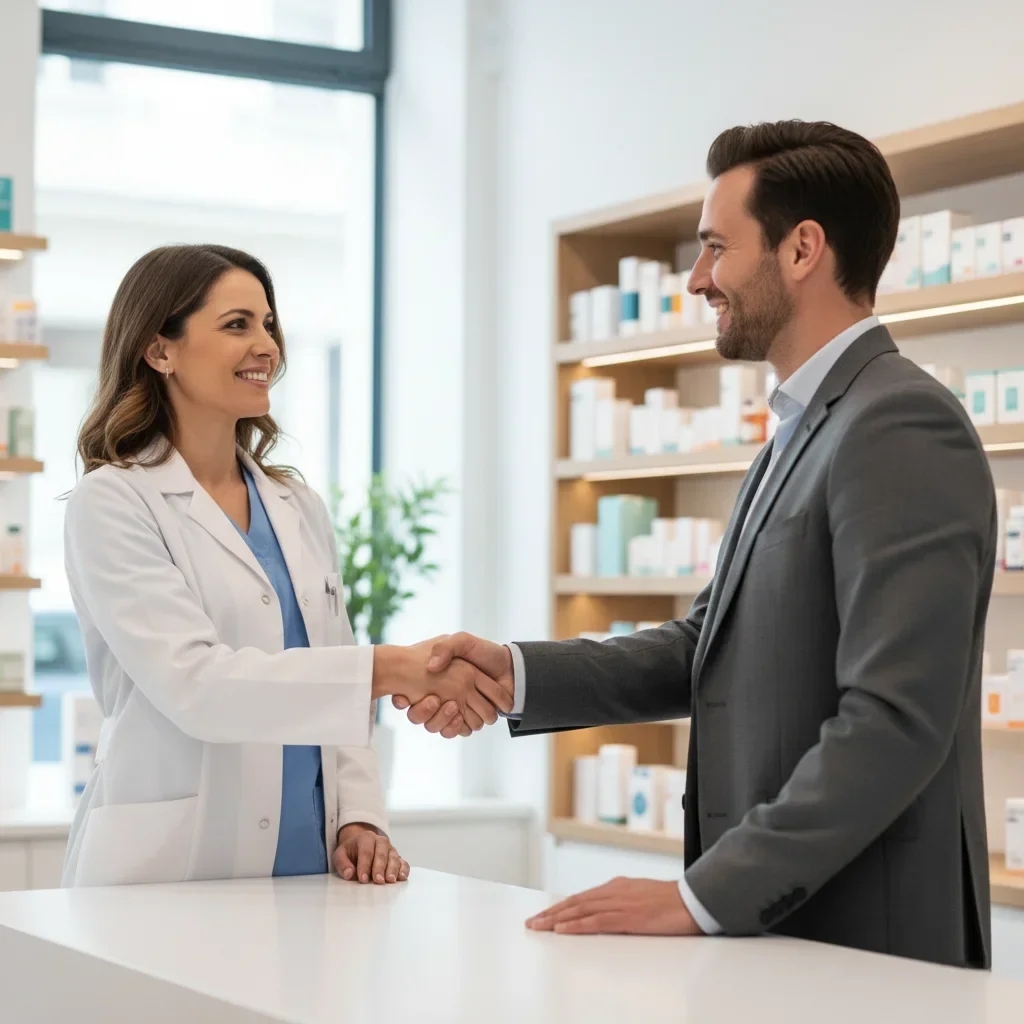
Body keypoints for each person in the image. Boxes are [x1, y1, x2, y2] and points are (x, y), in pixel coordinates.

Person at [400, 121, 995, 968]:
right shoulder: (799, 432)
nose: (697, 278)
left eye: (716, 247)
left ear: (802, 249)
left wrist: (701, 895)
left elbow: (896, 721)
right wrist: (514, 673)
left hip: (869, 941)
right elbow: (704, 647)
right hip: (785, 935)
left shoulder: (897, 421)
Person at [62, 244, 509, 888]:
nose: (267, 346)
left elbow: (334, 666)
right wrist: (396, 668)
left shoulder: (295, 505)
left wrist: (360, 818)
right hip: (174, 871)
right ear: (160, 351)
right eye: (237, 324)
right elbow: (197, 686)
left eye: (268, 324)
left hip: (311, 865)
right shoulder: (114, 502)